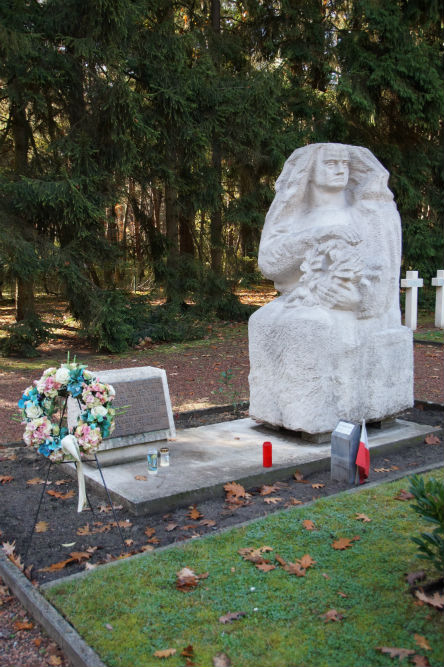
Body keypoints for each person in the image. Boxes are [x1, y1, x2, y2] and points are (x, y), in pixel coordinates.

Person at [248, 143, 413, 436]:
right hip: (305, 298)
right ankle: (279, 411)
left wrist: (356, 299)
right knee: (261, 320)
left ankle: (315, 416)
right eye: (331, 163)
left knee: (309, 326)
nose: (340, 169)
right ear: (310, 173)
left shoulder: (368, 212)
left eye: (344, 164)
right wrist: (317, 235)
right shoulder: (298, 215)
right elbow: (270, 263)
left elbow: (383, 269)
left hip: (354, 307)